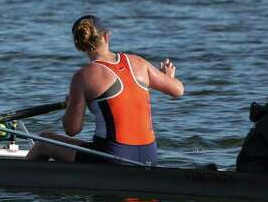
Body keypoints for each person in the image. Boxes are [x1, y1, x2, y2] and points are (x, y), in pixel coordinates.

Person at [26, 15, 183, 166]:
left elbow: (72, 130)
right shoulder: (138, 62)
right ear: (107, 36)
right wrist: (169, 78)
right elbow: (178, 90)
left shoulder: (83, 76)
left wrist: (71, 106)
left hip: (112, 158)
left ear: (79, 46)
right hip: (149, 156)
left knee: (43, 141)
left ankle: (21, 184)